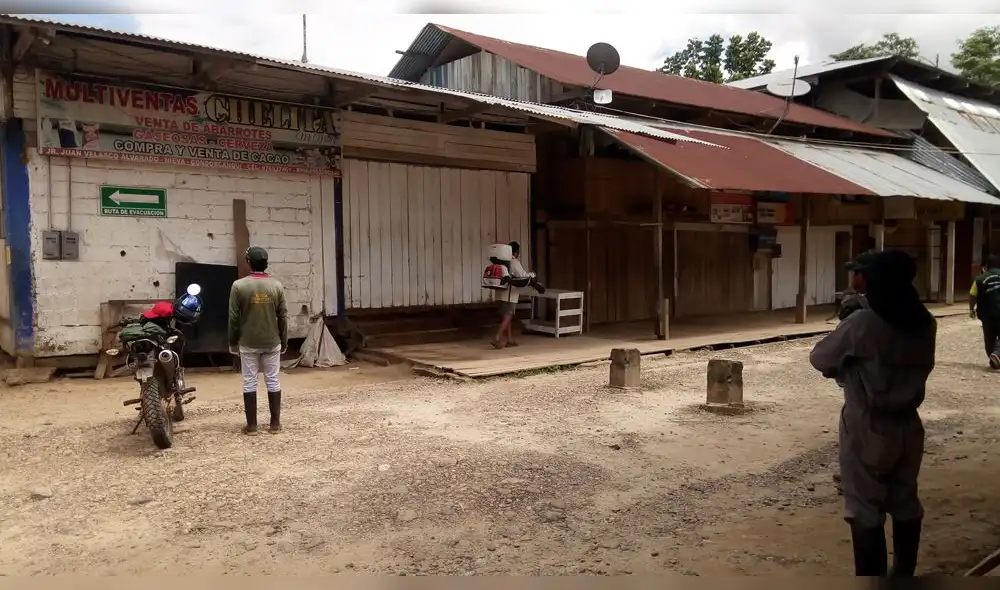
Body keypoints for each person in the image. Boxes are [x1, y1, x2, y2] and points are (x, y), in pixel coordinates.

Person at [809, 249, 936, 577]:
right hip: (909, 425)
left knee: (864, 509)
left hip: (868, 425)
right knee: (905, 501)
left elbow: (820, 358)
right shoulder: (925, 322)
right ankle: (904, 573)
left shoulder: (863, 323)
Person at [229, 246, 288, 435]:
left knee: (249, 381)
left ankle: (252, 426)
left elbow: (233, 317)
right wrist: (284, 340)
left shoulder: (238, 286)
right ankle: (275, 425)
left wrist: (233, 341)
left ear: (249, 262)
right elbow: (283, 316)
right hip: (272, 341)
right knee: (273, 380)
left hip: (248, 342)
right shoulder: (277, 286)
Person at [492, 241, 531, 349]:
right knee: (509, 315)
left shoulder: (500, 261)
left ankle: (509, 339)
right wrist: (532, 275)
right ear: (516, 252)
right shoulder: (513, 262)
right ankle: (497, 337)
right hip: (510, 293)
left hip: (499, 292)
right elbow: (522, 275)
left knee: (505, 316)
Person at [970, 254, 1000, 370]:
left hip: (986, 314)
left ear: (986, 266)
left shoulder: (979, 279)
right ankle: (997, 354)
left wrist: (971, 309)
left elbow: (972, 295)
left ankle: (994, 357)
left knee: (989, 337)